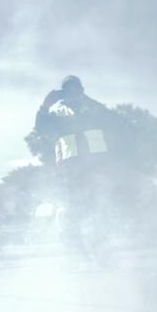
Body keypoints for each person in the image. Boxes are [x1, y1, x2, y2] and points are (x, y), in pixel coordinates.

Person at [34, 75, 119, 260]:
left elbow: (113, 123)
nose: (73, 94)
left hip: (96, 167)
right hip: (70, 171)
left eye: (76, 89)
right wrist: (45, 106)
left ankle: (102, 251)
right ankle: (75, 252)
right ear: (63, 93)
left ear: (82, 90)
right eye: (68, 91)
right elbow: (41, 130)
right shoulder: (57, 113)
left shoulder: (95, 109)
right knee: (69, 211)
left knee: (99, 209)